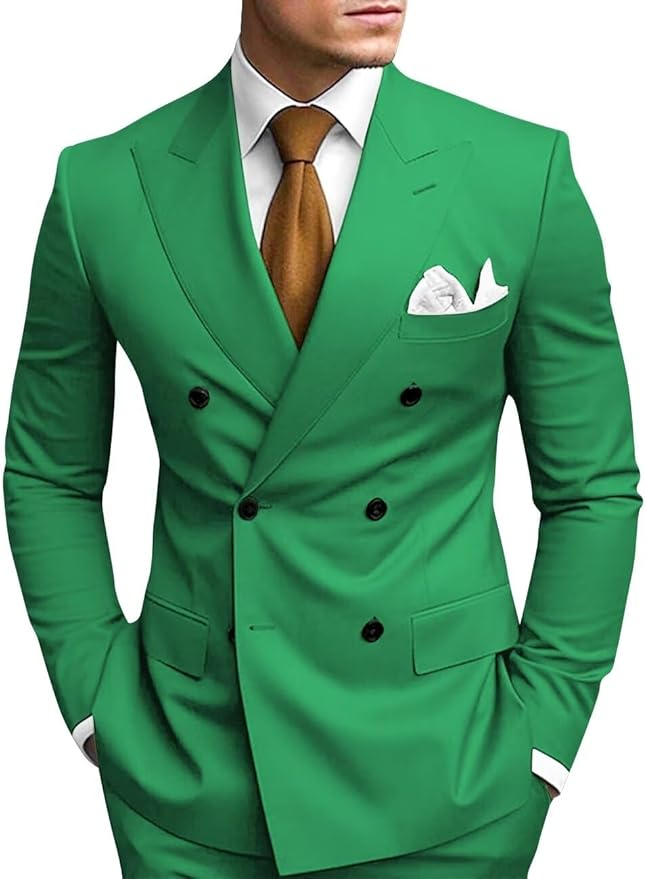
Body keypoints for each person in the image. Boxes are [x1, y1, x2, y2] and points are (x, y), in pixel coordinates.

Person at [3, 1, 641, 877]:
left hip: (448, 776)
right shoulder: (104, 185)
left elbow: (592, 485)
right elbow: (49, 471)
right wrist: (94, 695)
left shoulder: (519, 172)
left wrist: (545, 729)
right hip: (193, 778)